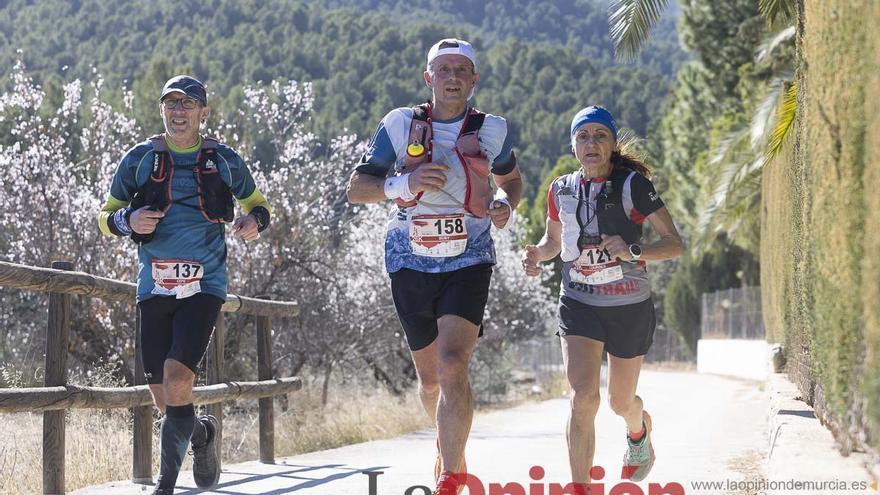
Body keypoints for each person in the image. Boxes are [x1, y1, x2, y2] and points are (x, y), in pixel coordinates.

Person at [346, 39, 523, 495]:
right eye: (443, 69)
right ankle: (452, 455)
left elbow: (511, 179)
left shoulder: (492, 130)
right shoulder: (401, 124)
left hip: (469, 256)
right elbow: (358, 188)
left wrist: (504, 203)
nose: (452, 77)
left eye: (461, 70)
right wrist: (404, 181)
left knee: (452, 366)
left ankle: (449, 477)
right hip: (410, 258)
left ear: (473, 80)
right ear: (429, 78)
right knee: (430, 383)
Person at [97, 75, 271, 495]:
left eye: (187, 105)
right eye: (171, 104)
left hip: (204, 285)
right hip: (153, 288)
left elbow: (259, 205)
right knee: (164, 396)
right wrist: (127, 221)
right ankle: (201, 436)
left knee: (177, 378)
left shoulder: (224, 159)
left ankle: (166, 486)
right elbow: (105, 217)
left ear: (203, 113)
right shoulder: (139, 159)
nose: (178, 112)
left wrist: (254, 223)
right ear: (162, 111)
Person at [522, 106, 682, 493]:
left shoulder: (632, 186)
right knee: (582, 399)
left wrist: (632, 250)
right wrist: (537, 256)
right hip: (579, 302)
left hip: (628, 305)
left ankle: (638, 429)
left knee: (619, 401)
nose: (591, 143)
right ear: (573, 145)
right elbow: (554, 243)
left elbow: (674, 244)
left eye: (600, 136)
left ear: (611, 144)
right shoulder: (560, 188)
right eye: (583, 137)